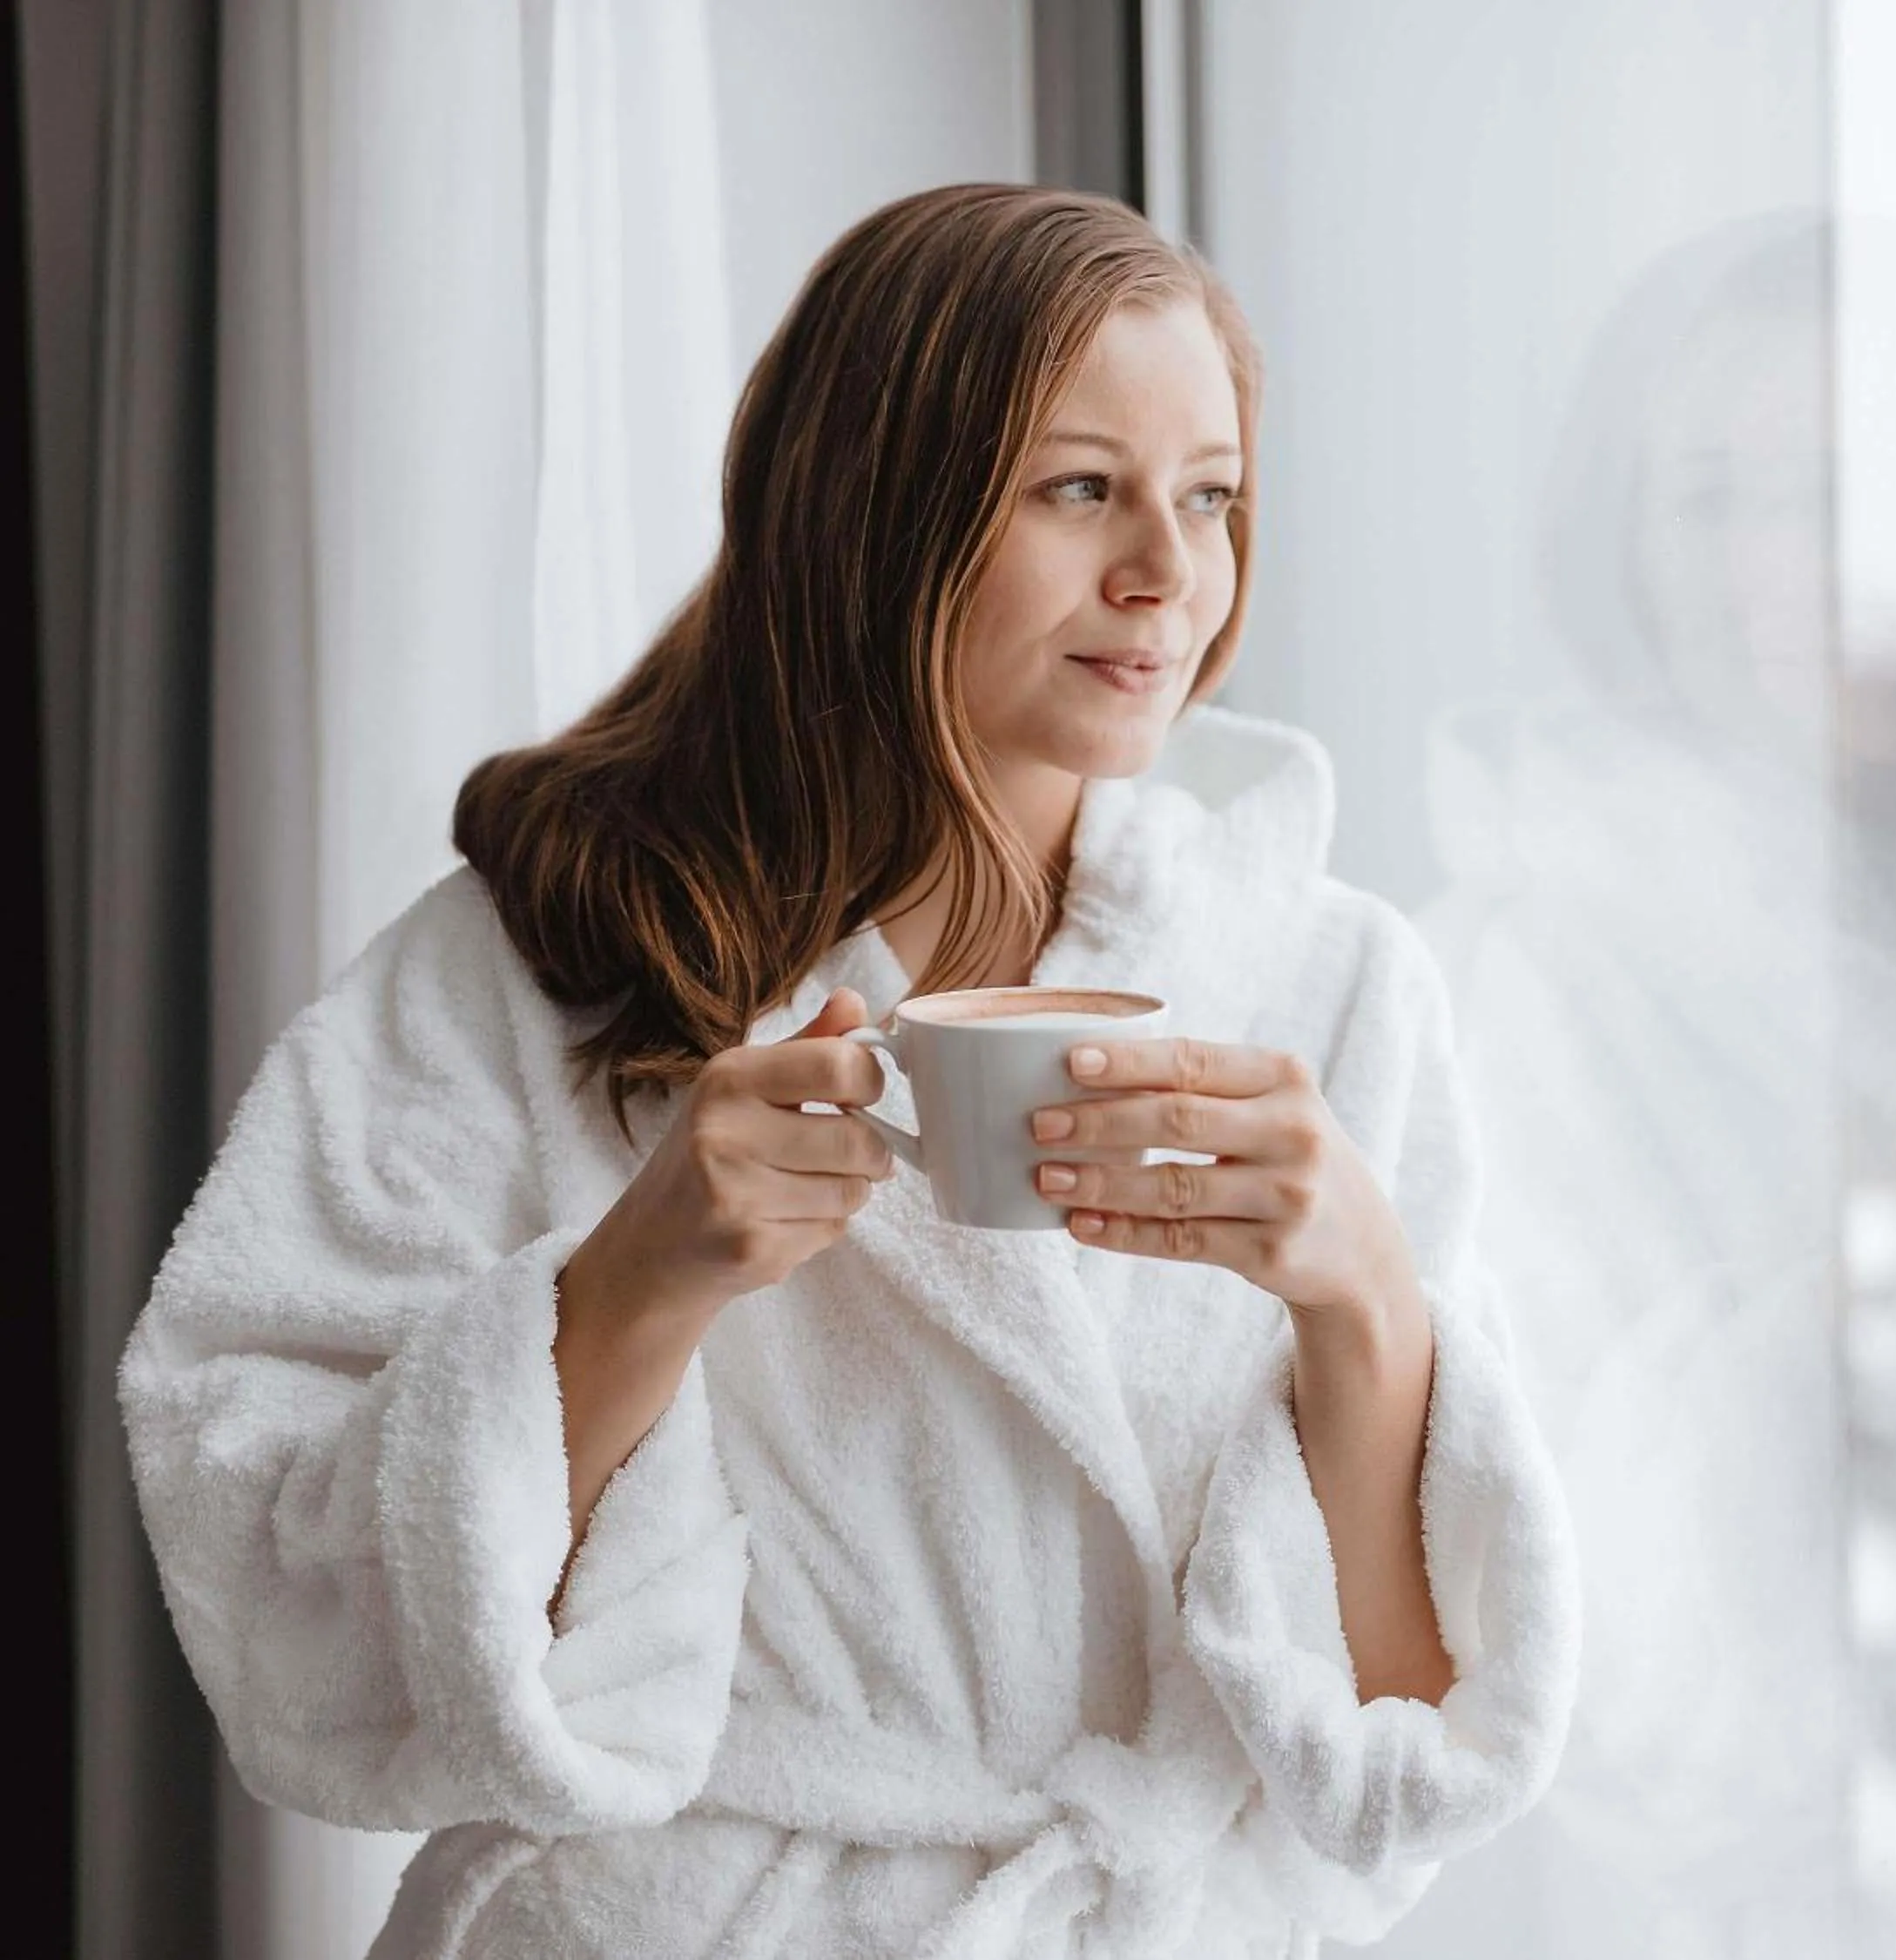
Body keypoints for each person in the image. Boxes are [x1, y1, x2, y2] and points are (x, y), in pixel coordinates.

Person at [120, 183, 1579, 1958]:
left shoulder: (1331, 990)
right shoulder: (542, 962)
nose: (1167, 576)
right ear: (876, 508)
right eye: (1080, 489)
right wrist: (635, 1284)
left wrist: (1366, 1303)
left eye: (1211, 497)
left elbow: (1408, 1746)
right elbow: (279, 1590)